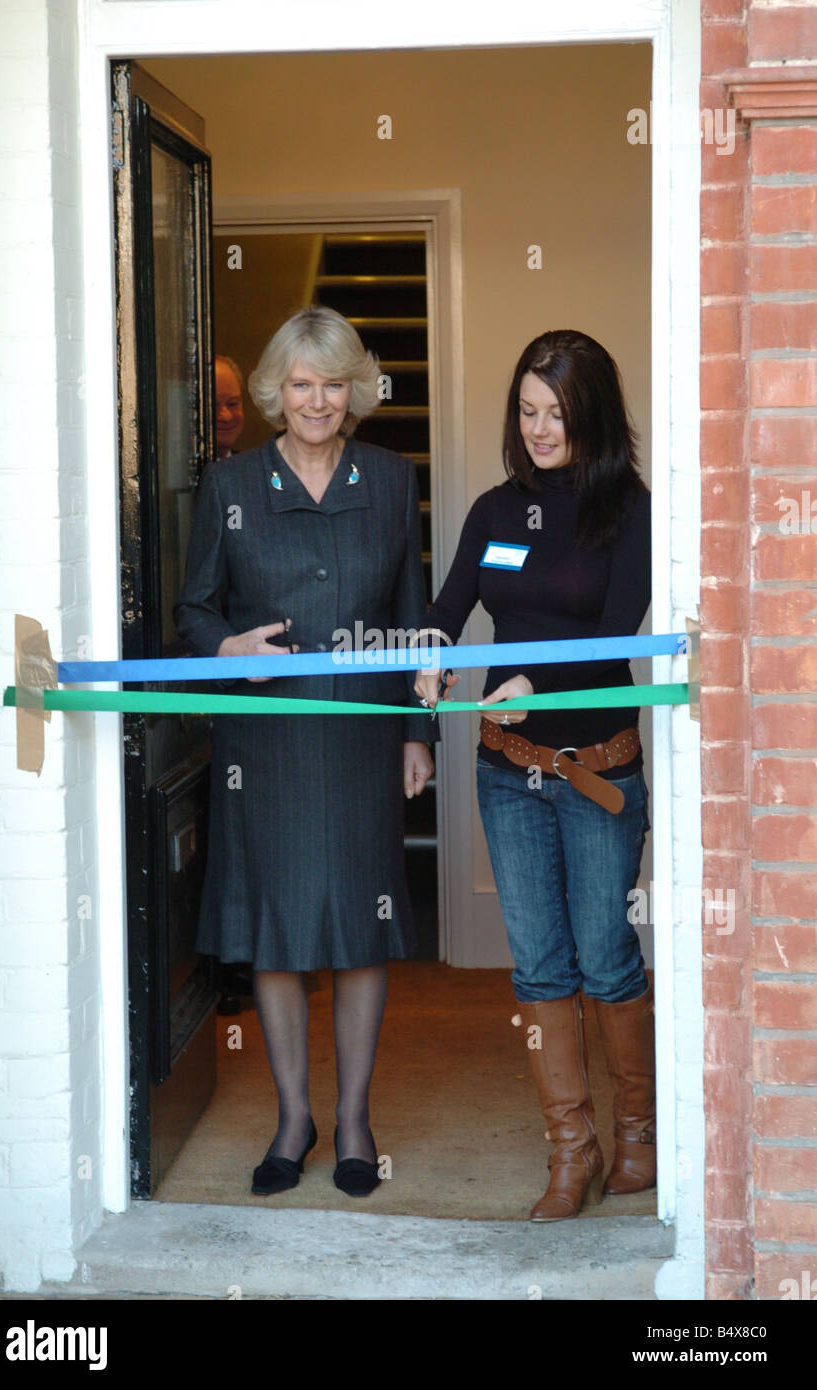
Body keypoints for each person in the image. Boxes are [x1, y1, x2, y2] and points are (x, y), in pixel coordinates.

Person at [174, 306, 433, 1199]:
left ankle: (355, 1121)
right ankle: (294, 1119)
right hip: (267, 743)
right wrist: (224, 652)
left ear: (354, 388)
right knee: (275, 937)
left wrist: (416, 731)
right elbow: (194, 609)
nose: (316, 400)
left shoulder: (393, 480)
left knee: (361, 935)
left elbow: (413, 622)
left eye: (331, 383)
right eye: (299, 384)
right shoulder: (229, 482)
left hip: (363, 736)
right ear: (275, 392)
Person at [414, 329, 653, 1222]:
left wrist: (532, 681)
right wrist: (431, 657)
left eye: (555, 412)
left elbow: (621, 636)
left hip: (597, 776)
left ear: (588, 412)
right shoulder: (492, 510)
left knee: (605, 956)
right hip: (505, 772)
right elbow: (446, 610)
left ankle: (636, 1133)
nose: (539, 427)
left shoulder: (627, 508)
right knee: (542, 968)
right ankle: (571, 1151)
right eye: (526, 410)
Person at [215, 355, 245, 458]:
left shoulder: (252, 469)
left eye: (232, 404)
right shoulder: (170, 470)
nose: (226, 417)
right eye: (214, 406)